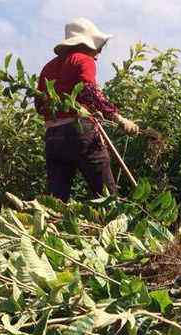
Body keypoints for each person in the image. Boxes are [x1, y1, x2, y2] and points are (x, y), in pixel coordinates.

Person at [36, 18, 140, 202]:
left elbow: (39, 105)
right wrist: (120, 120)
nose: (99, 51)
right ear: (86, 43)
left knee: (56, 201)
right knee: (107, 196)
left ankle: (50, 227)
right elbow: (90, 91)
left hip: (53, 136)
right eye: (98, 46)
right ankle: (114, 224)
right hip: (80, 132)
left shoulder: (48, 67)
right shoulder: (83, 59)